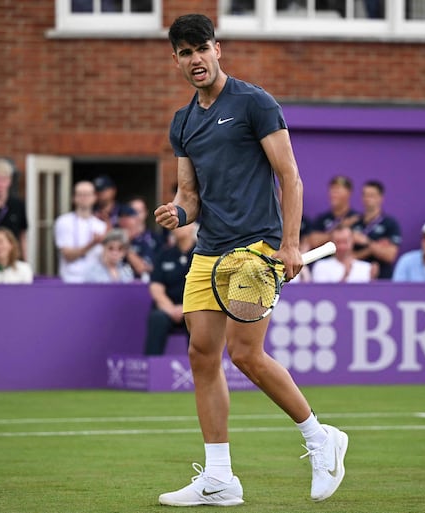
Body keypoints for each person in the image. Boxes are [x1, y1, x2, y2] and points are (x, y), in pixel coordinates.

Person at [153, 14, 348, 507]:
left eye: (201, 48)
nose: (195, 59)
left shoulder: (255, 102)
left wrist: (289, 243)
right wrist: (176, 212)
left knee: (244, 354)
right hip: (208, 250)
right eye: (184, 52)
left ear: (218, 49)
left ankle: (320, 438)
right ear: (174, 59)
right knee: (201, 354)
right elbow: (189, 196)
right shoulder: (183, 122)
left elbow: (291, 176)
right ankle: (220, 478)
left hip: (255, 247)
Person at [146, 223, 197, 355]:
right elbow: (156, 287)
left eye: (184, 223)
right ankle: (152, 366)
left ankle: (199, 367)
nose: (179, 227)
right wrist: (171, 309)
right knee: (157, 318)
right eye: (176, 224)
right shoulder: (164, 254)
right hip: (168, 309)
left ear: (193, 226)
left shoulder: (203, 255)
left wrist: (186, 309)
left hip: (194, 308)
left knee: (199, 321)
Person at [54, 181, 109, 283]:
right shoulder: (63, 221)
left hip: (96, 280)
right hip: (70, 279)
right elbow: (68, 255)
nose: (84, 198)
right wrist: (92, 243)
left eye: (88, 194)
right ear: (74, 198)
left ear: (94, 197)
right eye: (80, 194)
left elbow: (106, 259)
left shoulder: (101, 225)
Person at [351, 180, 401, 279]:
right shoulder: (354, 222)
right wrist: (374, 249)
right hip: (356, 277)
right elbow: (347, 257)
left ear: (380, 198)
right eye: (365, 195)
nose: (367, 199)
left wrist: (367, 242)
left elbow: (390, 255)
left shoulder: (389, 224)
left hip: (382, 278)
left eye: (372, 195)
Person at [308, 175, 360, 249]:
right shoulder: (322, 219)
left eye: (338, 190)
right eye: (332, 189)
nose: (333, 193)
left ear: (349, 193)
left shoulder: (357, 219)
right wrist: (340, 227)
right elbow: (313, 241)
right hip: (325, 259)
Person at [118, 204, 160, 282]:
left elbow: (142, 268)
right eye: (122, 217)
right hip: (116, 283)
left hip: (139, 285)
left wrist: (125, 246)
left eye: (128, 217)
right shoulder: (113, 239)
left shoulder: (143, 241)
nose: (125, 221)